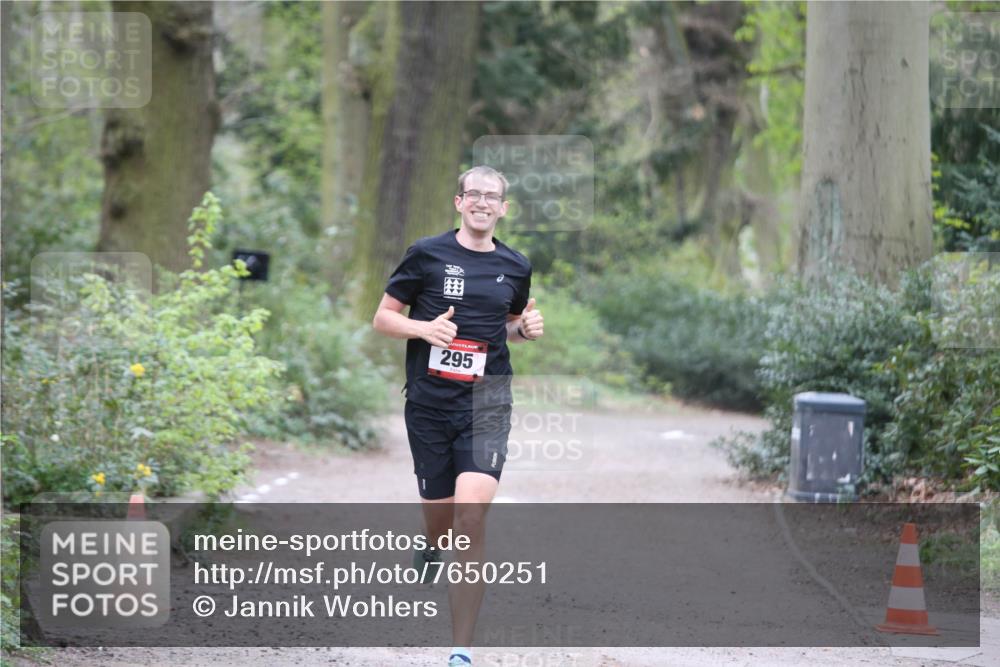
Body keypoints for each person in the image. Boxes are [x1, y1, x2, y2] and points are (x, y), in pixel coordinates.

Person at [372, 165, 543, 666]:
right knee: (443, 521)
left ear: (504, 208)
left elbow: (506, 328)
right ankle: (430, 546)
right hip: (428, 403)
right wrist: (424, 330)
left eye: (493, 197)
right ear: (459, 201)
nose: (483, 203)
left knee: (471, 518)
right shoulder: (426, 254)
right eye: (474, 194)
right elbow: (383, 318)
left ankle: (461, 649)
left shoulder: (515, 266)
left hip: (486, 401)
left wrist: (525, 330)